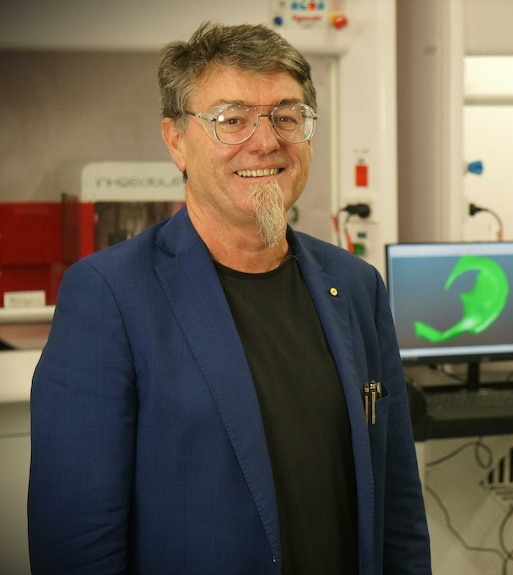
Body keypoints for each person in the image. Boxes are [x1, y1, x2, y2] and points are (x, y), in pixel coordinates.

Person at [28, 22, 432, 575]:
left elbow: (398, 505)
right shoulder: (111, 295)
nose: (266, 141)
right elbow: (77, 541)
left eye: (287, 116)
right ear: (176, 141)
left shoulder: (356, 286)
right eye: (232, 120)